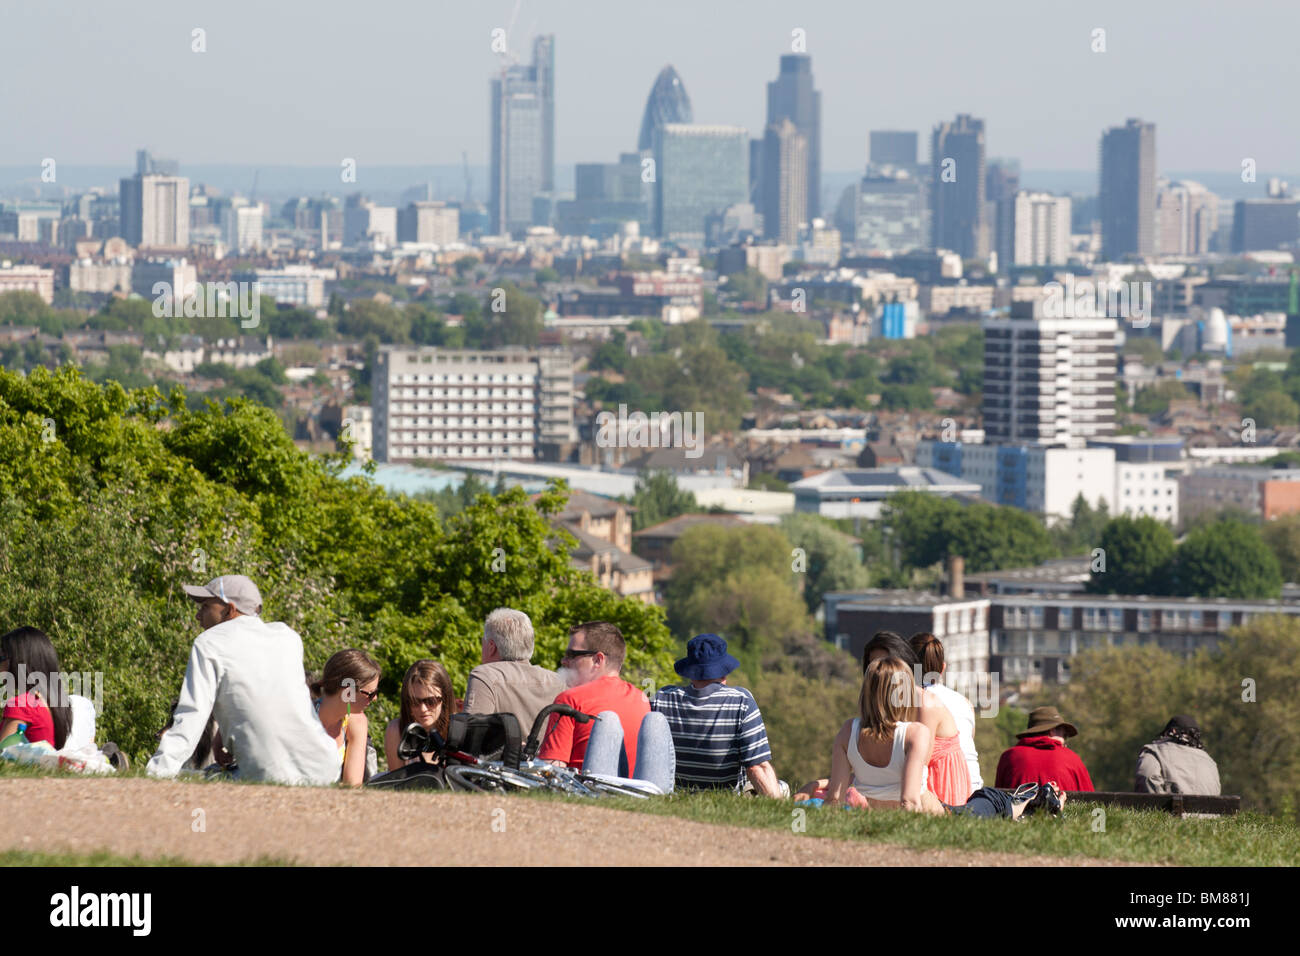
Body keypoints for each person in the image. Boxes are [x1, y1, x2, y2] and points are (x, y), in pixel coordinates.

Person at [147, 575, 341, 785]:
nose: (197, 615)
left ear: (229, 610)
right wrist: (224, 732)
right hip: (325, 767)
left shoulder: (209, 643)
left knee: (207, 780)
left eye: (205, 606)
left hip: (268, 773)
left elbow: (192, 714)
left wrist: (159, 772)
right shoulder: (287, 637)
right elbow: (267, 695)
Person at [817, 658, 1064, 820]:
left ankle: (1031, 804)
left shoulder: (848, 730)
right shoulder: (914, 733)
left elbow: (833, 798)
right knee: (992, 798)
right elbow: (909, 801)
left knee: (987, 800)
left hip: (875, 812)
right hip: (939, 816)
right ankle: (1034, 801)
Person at [650, 633, 782, 796]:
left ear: (690, 671)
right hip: (728, 797)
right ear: (724, 671)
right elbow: (756, 767)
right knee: (782, 786)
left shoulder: (661, 699)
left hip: (678, 795)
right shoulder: (741, 701)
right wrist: (778, 806)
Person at [538, 621, 649, 772]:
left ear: (598, 660)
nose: (564, 661)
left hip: (585, 791)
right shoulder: (641, 699)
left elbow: (550, 770)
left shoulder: (569, 700)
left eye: (572, 655)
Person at [464, 608, 564, 735]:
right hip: (550, 755)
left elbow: (471, 736)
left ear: (491, 647)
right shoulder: (559, 682)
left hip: (502, 755)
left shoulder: (484, 675)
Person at [910, 632, 983, 793]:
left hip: (943, 789)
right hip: (974, 787)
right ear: (943, 668)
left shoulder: (913, 701)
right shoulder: (966, 703)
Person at [309, 649, 381, 786]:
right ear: (347, 690)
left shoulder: (357, 722)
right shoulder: (305, 717)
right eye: (370, 694)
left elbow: (352, 787)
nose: (375, 699)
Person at [0, 627, 73, 750]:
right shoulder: (52, 702)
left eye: (1, 657)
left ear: (18, 661)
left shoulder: (22, 705)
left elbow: (2, 757)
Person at [995, 705, 1095, 791]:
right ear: (1052, 731)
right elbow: (1091, 803)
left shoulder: (1008, 757)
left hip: (1018, 813)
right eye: (1064, 736)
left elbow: (997, 800)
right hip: (1061, 813)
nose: (1065, 742)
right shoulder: (1072, 758)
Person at [384, 659, 456, 770]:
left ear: (445, 699)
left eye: (431, 701)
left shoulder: (458, 730)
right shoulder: (396, 729)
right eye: (415, 702)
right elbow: (397, 781)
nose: (423, 709)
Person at [1135, 715, 1221, 795]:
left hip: (1171, 810)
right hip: (1208, 811)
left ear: (1173, 731)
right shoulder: (1210, 761)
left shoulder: (1154, 752)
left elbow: (1146, 779)